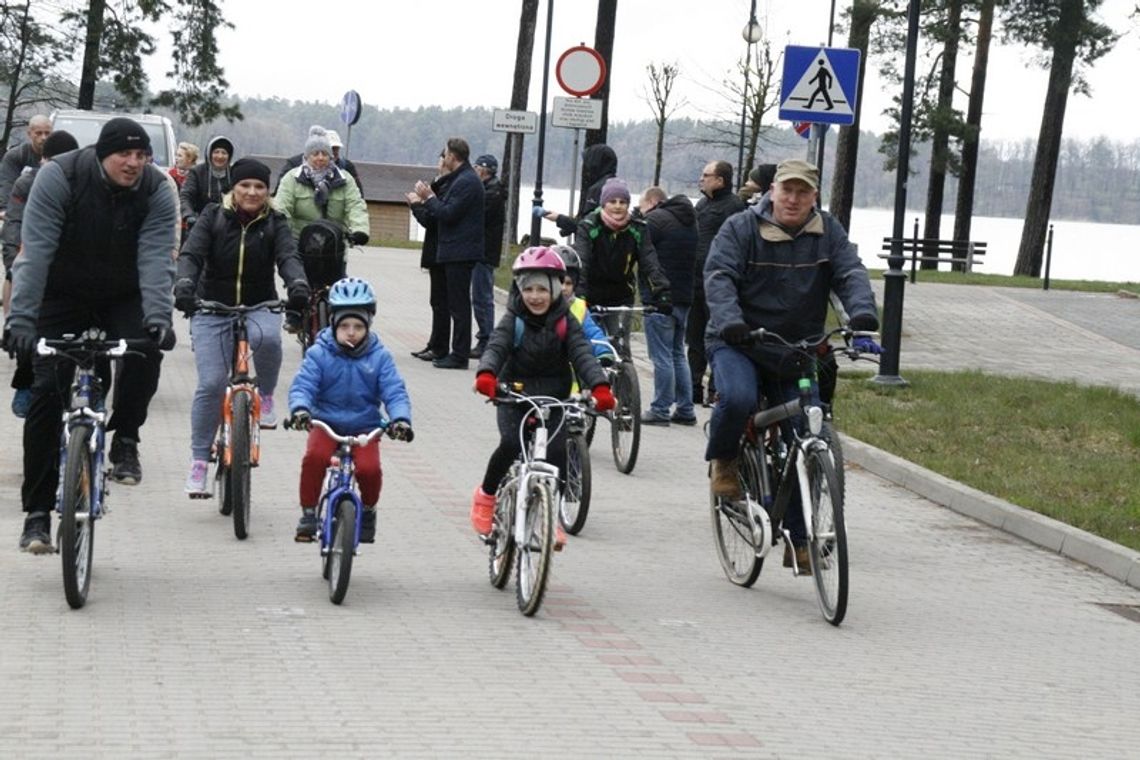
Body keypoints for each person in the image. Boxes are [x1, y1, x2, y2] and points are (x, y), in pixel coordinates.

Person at [5, 117, 178, 553]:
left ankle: (125, 439)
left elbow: (157, 257)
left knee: (146, 352)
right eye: (125, 154)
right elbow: (36, 250)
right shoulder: (59, 176)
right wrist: (21, 320)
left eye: (142, 156)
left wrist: (159, 317)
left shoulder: (157, 189)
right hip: (62, 292)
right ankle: (38, 513)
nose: (134, 163)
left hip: (124, 294)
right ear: (102, 154)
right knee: (46, 390)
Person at [703, 158, 879, 571]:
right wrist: (730, 322)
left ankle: (800, 541)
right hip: (740, 340)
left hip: (796, 347)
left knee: (806, 434)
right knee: (738, 397)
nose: (794, 199)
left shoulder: (827, 231)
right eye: (787, 190)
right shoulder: (741, 228)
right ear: (772, 191)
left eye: (803, 192)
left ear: (814, 196)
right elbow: (719, 275)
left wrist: (862, 317)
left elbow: (851, 272)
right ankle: (725, 459)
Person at [174, 158, 311, 496]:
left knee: (268, 340)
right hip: (211, 306)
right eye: (245, 185)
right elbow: (192, 253)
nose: (252, 192)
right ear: (233, 188)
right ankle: (199, 462)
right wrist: (185, 284)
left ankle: (264, 396)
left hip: (259, 303)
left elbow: (288, 256)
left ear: (268, 192)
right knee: (210, 383)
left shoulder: (276, 221)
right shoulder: (213, 216)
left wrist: (297, 284)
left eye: (260, 187)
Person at [468, 247, 615, 548]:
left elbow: (582, 353)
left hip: (554, 396)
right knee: (510, 444)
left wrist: (599, 386)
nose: (535, 296)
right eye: (529, 289)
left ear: (556, 289)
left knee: (559, 453)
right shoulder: (514, 319)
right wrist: (487, 375)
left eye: (542, 289)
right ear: (519, 291)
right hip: (514, 393)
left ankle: (552, 517)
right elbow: (496, 346)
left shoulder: (565, 321)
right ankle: (486, 496)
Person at [287, 277, 413, 544]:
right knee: (314, 457)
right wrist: (300, 410)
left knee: (369, 469)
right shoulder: (319, 354)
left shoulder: (380, 357)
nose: (351, 332)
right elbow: (304, 385)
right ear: (333, 325)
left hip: (365, 427)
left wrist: (400, 420)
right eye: (344, 326)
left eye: (358, 326)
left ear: (368, 325)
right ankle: (308, 513)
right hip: (325, 423)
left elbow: (394, 391)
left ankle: (367, 510)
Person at [2, 130, 80, 418]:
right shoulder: (27, 182)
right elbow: (13, 224)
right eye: (50, 161)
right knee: (25, 330)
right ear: (42, 160)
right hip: (31, 263)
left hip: (70, 270)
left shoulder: (83, 184)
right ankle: (24, 383)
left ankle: (93, 393)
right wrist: (13, 263)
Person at [406, 137, 483, 370]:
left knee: (459, 305)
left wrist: (428, 198)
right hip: (453, 250)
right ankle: (448, 349)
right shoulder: (461, 179)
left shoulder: (467, 181)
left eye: (446, 154)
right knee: (451, 304)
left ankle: (459, 355)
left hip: (461, 251)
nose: (443, 157)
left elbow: (448, 213)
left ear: (453, 156)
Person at [572, 177, 672, 356]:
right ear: (604, 203)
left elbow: (650, 260)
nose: (618, 206)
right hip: (590, 295)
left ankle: (626, 379)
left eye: (623, 202)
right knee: (590, 347)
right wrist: (579, 293)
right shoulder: (589, 226)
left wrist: (662, 290)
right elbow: (582, 260)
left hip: (621, 296)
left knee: (621, 349)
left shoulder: (637, 228)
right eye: (612, 201)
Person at [637, 186, 698, 426]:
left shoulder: (655, 219)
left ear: (652, 201)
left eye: (642, 206)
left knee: (661, 356)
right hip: (685, 296)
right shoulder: (689, 220)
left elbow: (638, 245)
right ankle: (686, 409)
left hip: (660, 297)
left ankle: (660, 409)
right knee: (677, 354)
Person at [690, 160, 747, 407]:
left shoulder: (734, 207)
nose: (701, 179)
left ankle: (716, 389)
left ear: (720, 180)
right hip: (695, 281)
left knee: (718, 336)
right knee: (694, 337)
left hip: (719, 284)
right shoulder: (702, 204)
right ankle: (692, 388)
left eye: (706, 175)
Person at [276, 126, 370, 248]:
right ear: (307, 156)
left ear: (330, 156)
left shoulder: (345, 179)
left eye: (325, 153)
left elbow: (355, 205)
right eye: (315, 153)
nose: (320, 157)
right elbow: (282, 207)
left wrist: (360, 230)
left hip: (334, 245)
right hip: (298, 244)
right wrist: (281, 233)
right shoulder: (291, 178)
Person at [409, 151, 450, 362]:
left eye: (441, 159)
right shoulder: (439, 183)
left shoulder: (446, 187)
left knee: (442, 302)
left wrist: (417, 204)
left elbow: (432, 220)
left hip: (441, 251)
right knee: (436, 302)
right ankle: (434, 343)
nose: (439, 163)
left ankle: (440, 346)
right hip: (435, 250)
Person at [533, 143, 618, 237]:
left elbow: (587, 225)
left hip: (594, 248)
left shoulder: (598, 189)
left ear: (595, 163)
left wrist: (558, 218)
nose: (586, 168)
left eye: (588, 164)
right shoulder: (616, 185)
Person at [471, 153, 506, 358]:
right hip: (483, 250)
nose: (474, 171)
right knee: (480, 296)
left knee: (482, 297)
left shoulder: (491, 192)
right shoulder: (490, 189)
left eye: (476, 167)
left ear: (483, 170)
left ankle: (486, 340)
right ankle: (485, 338)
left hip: (484, 252)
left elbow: (477, 217)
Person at [180, 136, 234, 231]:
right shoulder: (197, 172)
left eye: (224, 153)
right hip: (200, 223)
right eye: (216, 152)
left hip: (229, 225)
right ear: (209, 154)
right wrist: (188, 214)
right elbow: (186, 195)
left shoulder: (234, 173)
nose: (220, 156)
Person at [0, 114, 51, 213]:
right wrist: (4, 210)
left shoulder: (60, 156)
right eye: (39, 133)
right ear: (29, 134)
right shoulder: (16, 156)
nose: (44, 137)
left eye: (47, 133)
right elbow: (7, 185)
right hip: (20, 208)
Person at [326, 130, 364, 195]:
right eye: (331, 148)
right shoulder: (313, 168)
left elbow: (359, 193)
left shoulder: (347, 166)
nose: (334, 152)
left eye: (336, 148)